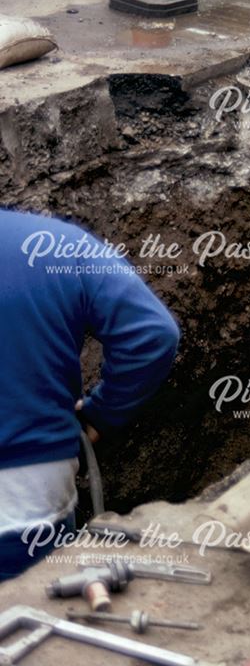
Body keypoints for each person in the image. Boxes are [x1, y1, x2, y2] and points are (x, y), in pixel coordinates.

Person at [0, 207, 180, 580]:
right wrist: (101, 415)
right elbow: (153, 334)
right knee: (40, 627)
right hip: (32, 499)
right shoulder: (55, 245)